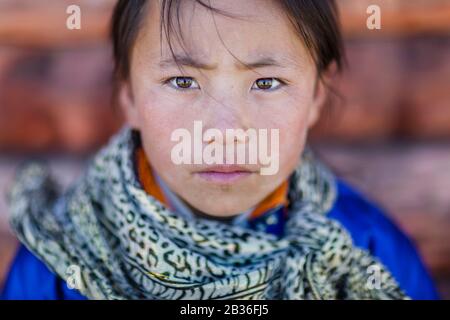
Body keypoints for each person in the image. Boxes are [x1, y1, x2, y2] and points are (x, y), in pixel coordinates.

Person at [1, 0, 439, 300]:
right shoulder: (57, 264)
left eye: (266, 83)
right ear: (129, 97)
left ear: (316, 98)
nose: (225, 130)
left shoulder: (369, 250)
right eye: (182, 81)